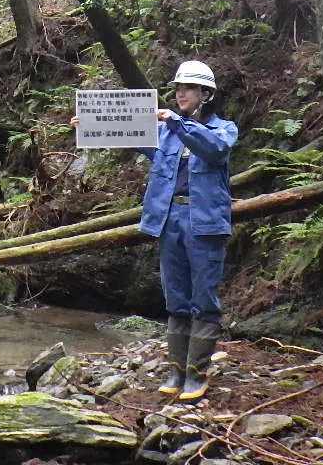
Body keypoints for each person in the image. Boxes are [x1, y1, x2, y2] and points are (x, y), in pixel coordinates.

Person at [75, 59, 238, 402]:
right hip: (169, 220)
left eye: (188, 88)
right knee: (176, 299)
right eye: (178, 89)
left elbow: (211, 150)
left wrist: (175, 121)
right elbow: (129, 133)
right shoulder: (165, 133)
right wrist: (90, 123)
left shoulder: (223, 130)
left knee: (203, 299)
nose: (180, 94)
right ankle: (176, 370)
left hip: (205, 223)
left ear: (206, 94)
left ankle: (197, 374)